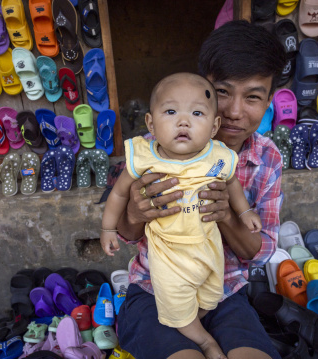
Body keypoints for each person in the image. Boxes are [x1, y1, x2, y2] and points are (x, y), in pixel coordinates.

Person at [115, 20, 286, 359]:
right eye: (222, 92)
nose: (235, 111)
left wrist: (226, 215)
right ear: (201, 86)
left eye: (252, 97)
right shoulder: (153, 150)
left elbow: (259, 251)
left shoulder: (267, 158)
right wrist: (135, 211)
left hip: (224, 293)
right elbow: (126, 234)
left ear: (268, 101)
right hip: (154, 290)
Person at [101, 72, 262, 359]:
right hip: (167, 259)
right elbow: (118, 194)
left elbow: (233, 183)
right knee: (175, 304)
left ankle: (196, 322)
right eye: (171, 111)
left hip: (209, 253)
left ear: (213, 126)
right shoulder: (144, 158)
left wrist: (244, 211)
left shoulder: (217, 156)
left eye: (197, 113)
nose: (183, 121)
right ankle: (204, 341)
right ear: (151, 123)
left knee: (212, 295)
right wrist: (108, 228)